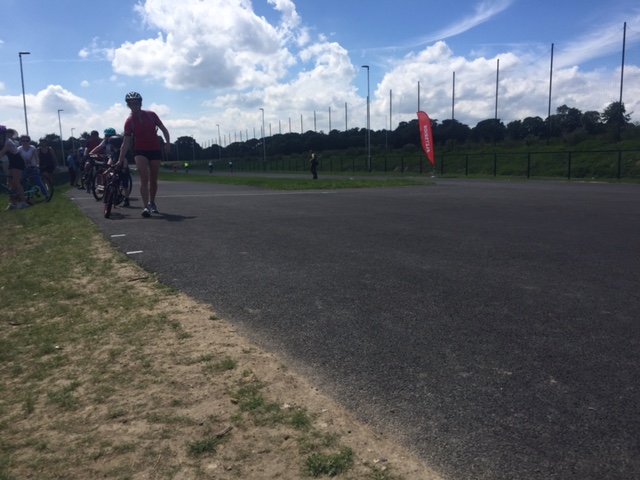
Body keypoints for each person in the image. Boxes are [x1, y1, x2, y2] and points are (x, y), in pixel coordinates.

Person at [116, 91, 170, 218]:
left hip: (155, 149)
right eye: (131, 104)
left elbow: (164, 129)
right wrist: (120, 159)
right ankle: (146, 206)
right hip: (140, 150)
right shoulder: (129, 122)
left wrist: (168, 143)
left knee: (153, 179)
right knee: (144, 177)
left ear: (140, 103)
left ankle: (152, 202)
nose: (134, 106)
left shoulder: (151, 115)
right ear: (128, 105)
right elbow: (126, 142)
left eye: (136, 103)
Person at [91, 128, 131, 206]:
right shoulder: (112, 151)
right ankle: (108, 191)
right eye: (107, 135)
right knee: (111, 176)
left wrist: (125, 168)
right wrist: (108, 168)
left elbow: (124, 160)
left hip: (122, 171)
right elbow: (110, 161)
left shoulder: (120, 153)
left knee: (125, 185)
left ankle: (126, 199)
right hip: (113, 164)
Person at [0, 126, 28, 209]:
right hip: (11, 162)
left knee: (16, 182)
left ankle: (24, 201)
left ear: (3, 134)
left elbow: (2, 153)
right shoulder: (1, 141)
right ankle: (13, 203)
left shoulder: (8, 142)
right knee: (9, 183)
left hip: (17, 161)